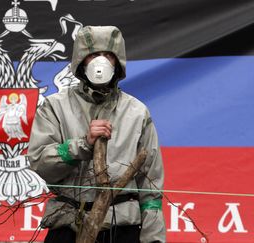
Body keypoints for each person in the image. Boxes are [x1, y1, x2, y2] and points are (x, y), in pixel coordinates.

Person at [27, 26, 166, 243]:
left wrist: (153, 239)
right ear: (81, 60)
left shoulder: (137, 112)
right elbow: (40, 163)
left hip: (122, 229)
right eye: (93, 55)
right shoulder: (55, 107)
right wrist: (81, 145)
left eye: (107, 55)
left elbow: (151, 185)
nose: (99, 62)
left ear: (117, 61)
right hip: (68, 226)